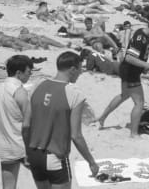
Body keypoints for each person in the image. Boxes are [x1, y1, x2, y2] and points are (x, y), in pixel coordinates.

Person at [25, 51, 99, 188]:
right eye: (80, 69)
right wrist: (91, 161)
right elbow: (76, 136)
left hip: (34, 154)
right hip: (54, 157)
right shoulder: (74, 93)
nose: (81, 73)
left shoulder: (37, 85)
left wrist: (26, 152)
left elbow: (26, 124)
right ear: (72, 69)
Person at [97, 21, 149, 137]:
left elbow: (137, 56)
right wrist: (148, 65)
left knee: (124, 95)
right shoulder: (140, 37)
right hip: (130, 72)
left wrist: (144, 68)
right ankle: (133, 133)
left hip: (128, 70)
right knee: (139, 103)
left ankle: (101, 119)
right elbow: (129, 58)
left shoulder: (144, 35)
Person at [0, 55, 33, 189]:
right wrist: (29, 151)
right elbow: (27, 124)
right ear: (18, 73)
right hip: (21, 144)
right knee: (49, 180)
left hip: (4, 145)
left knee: (8, 186)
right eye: (28, 72)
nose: (30, 75)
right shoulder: (20, 92)